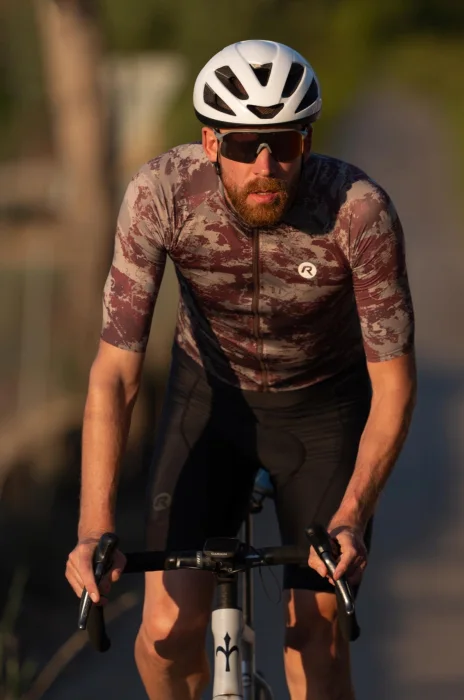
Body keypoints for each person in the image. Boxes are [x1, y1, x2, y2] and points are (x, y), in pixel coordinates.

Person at [63, 39, 416, 699]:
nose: (265, 166)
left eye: (283, 144)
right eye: (244, 145)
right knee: (166, 630)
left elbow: (393, 385)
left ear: (307, 141)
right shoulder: (161, 195)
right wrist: (94, 527)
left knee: (317, 638)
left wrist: (352, 514)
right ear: (210, 142)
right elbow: (114, 374)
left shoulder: (358, 212)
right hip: (209, 401)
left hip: (321, 412)